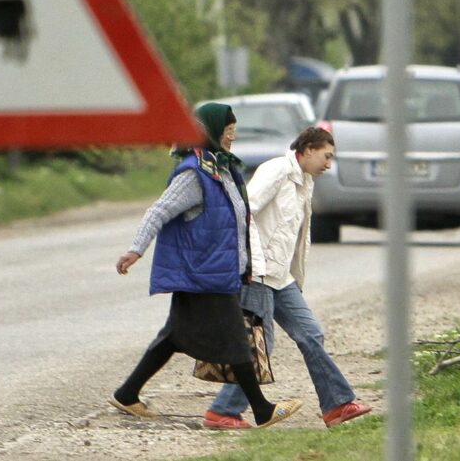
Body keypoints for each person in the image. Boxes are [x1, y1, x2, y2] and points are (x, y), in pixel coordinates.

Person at [109, 102, 302, 430]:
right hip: (204, 274)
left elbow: (236, 222)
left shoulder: (221, 169)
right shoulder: (194, 173)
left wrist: (246, 264)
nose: (233, 137)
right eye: (228, 131)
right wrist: (135, 249)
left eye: (233, 131)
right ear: (211, 132)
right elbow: (159, 211)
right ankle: (262, 409)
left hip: (217, 272)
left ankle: (127, 393)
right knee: (235, 340)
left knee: (173, 336)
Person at [203, 126, 373, 430]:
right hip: (259, 271)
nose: (328, 164)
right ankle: (222, 411)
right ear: (307, 149)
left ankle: (336, 405)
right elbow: (243, 210)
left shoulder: (304, 180)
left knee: (310, 333)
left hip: (282, 276)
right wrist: (250, 263)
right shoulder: (278, 171)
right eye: (326, 156)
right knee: (260, 341)